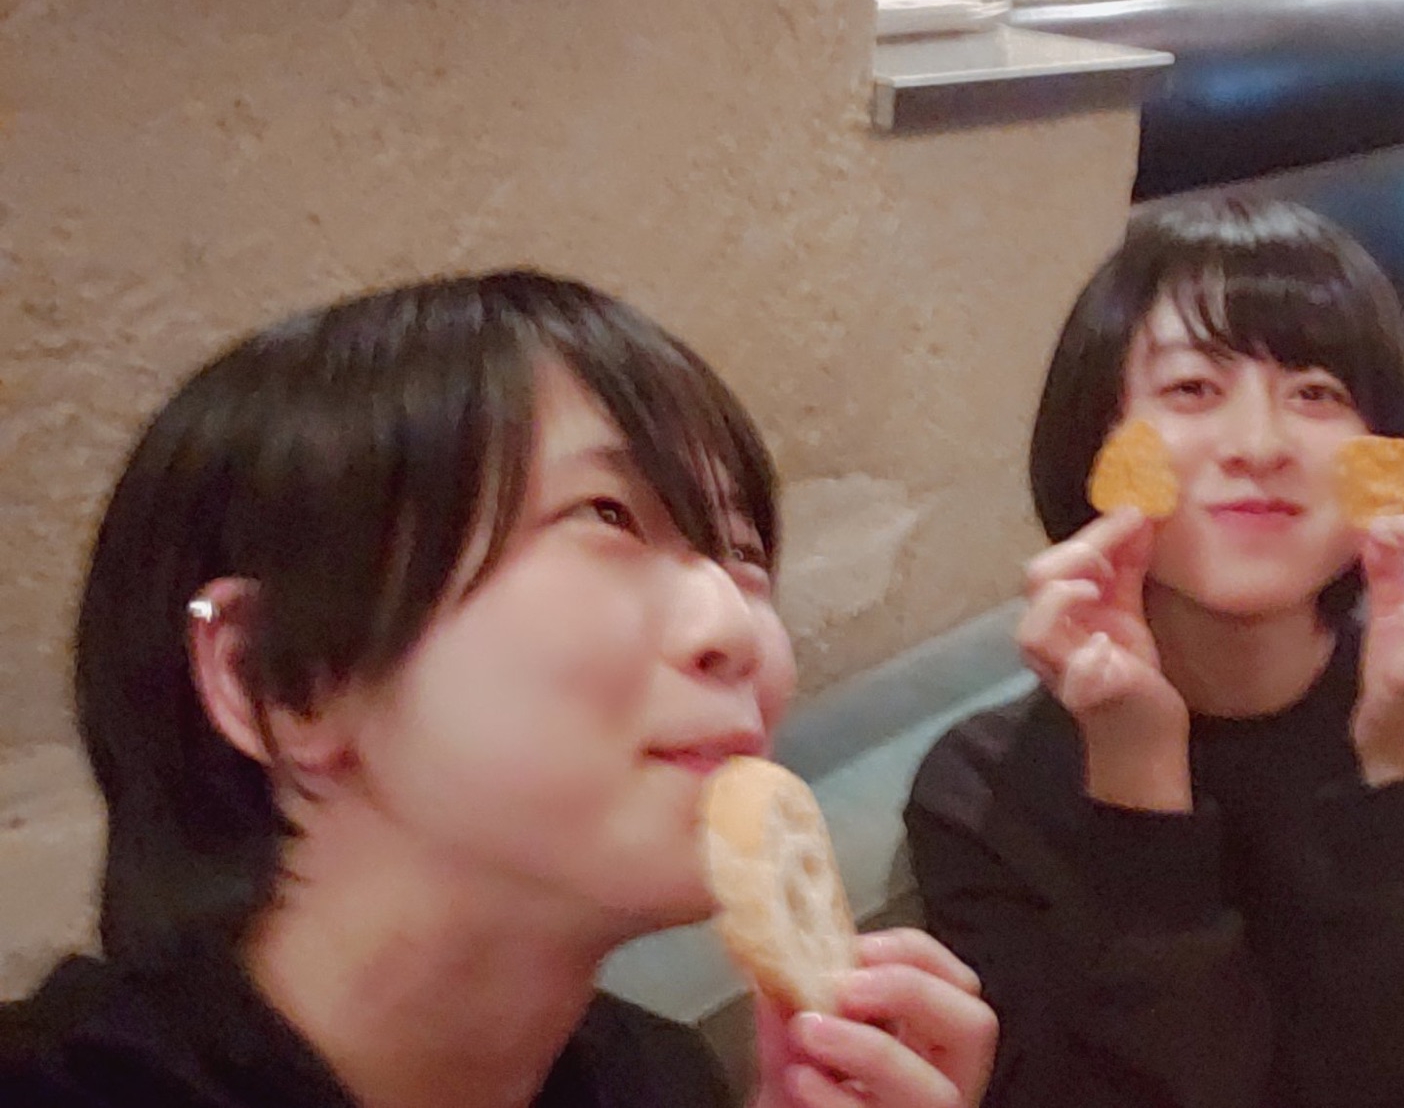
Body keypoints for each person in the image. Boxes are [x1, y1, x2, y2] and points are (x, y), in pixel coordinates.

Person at [0, 272, 996, 1108]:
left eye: (740, 552)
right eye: (606, 514)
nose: (736, 628)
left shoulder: (657, 1080)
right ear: (280, 678)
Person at [903, 198, 1404, 1108]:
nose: (1258, 445)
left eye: (1316, 393)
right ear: (1095, 443)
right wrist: (1137, 784)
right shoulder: (985, 792)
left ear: (1386, 452)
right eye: (1191, 390)